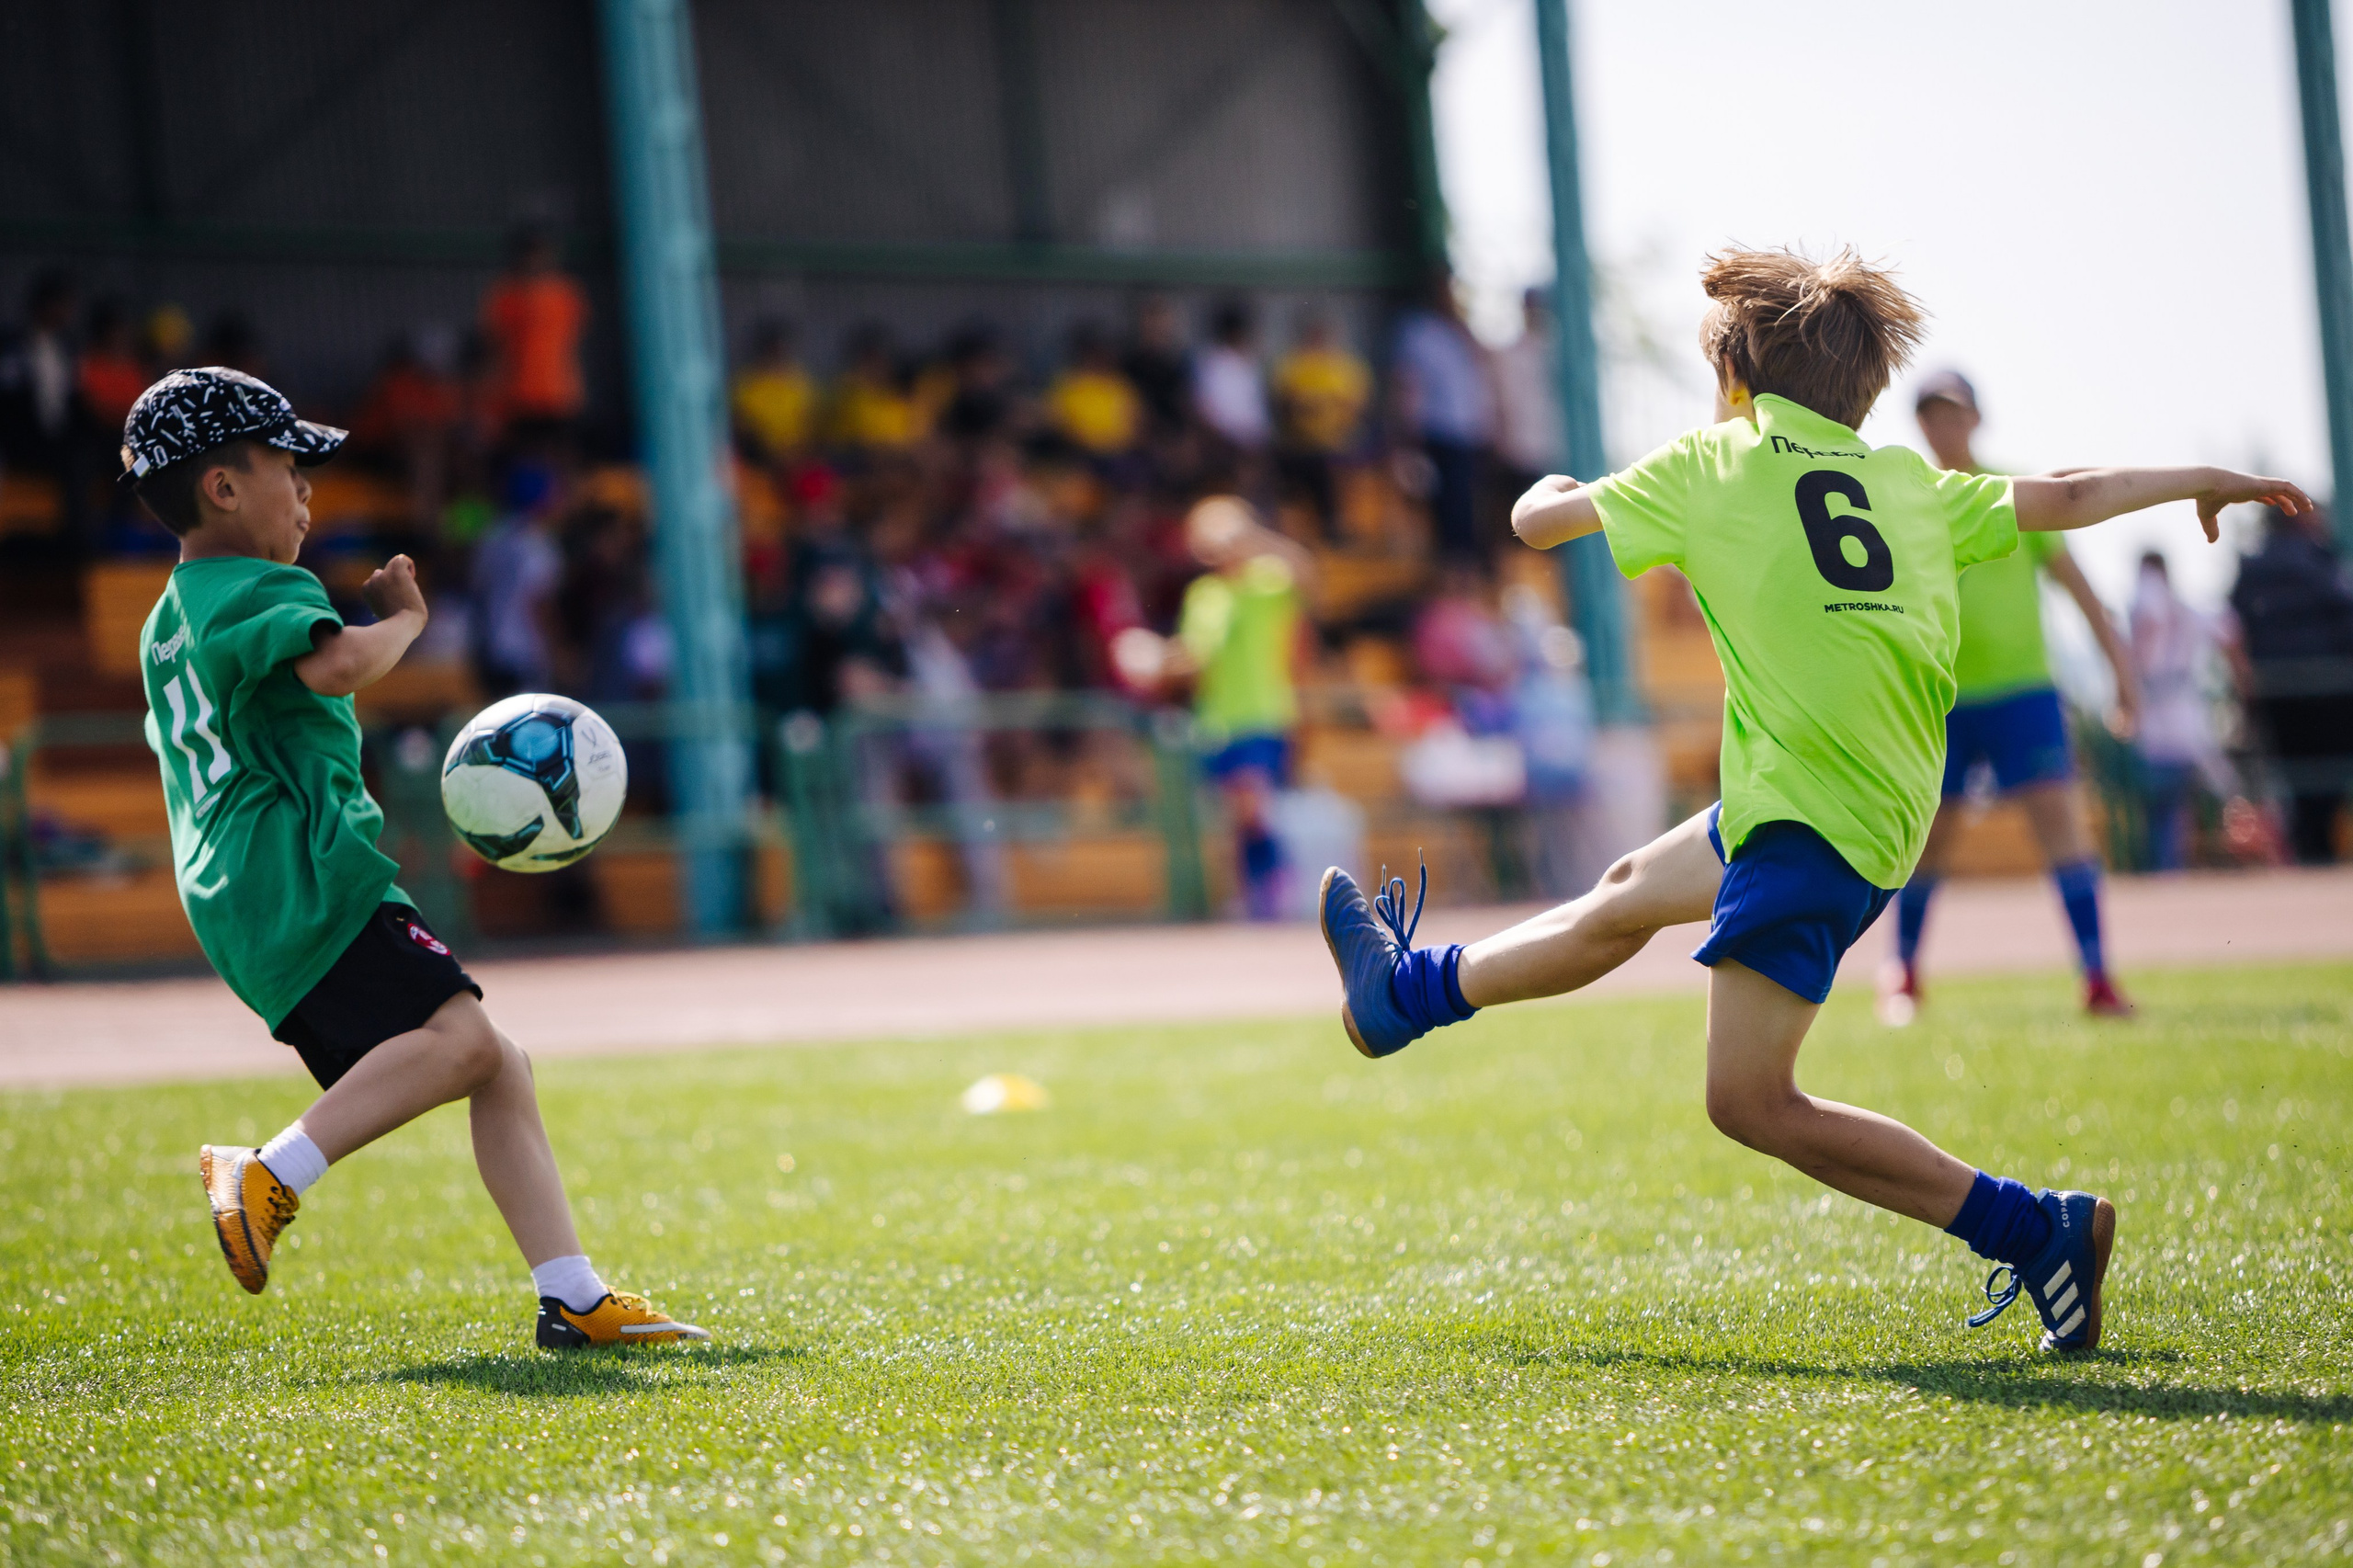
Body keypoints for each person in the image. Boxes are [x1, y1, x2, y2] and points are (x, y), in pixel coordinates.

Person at [1315, 245, 2312, 1356]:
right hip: (1844, 795)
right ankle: (1402, 995)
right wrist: (2202, 481)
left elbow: (1534, 527)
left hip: (1809, 820)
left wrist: (1548, 483)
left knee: (1748, 1100)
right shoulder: (1909, 484)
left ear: (1733, 377)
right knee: (1624, 894)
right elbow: (2071, 493)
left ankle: (2036, 1230)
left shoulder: (1712, 463)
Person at [119, 368, 701, 1346]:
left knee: (496, 1062)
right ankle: (266, 1171)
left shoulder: (168, 616)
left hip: (243, 896)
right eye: (289, 470)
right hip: (302, 875)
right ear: (222, 488)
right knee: (466, 1038)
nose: (308, 494)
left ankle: (573, 1293)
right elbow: (338, 662)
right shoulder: (260, 584)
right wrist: (408, 621)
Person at [1881, 370, 2141, 1022]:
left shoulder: (2012, 495)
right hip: (1938, 702)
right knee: (1927, 842)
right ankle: (1903, 975)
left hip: (2024, 694)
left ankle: (2097, 976)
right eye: (1931, 415)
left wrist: (2123, 678)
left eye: (1954, 412)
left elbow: (2080, 590)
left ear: (1975, 419)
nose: (1943, 426)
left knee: (2062, 830)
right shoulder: (1900, 501)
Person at [1172, 496, 1309, 920]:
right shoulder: (1204, 595)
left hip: (1262, 714)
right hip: (1218, 721)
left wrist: (1256, 540)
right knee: (1236, 817)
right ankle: (1256, 895)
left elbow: (1306, 573)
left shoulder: (1266, 581)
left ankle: (1276, 884)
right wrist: (1157, 660)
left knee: (1253, 804)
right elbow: (1193, 658)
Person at [2230, 503, 2353, 863]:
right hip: (2330, 688)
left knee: (2297, 780)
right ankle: (2319, 849)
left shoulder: (2254, 567)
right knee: (2328, 777)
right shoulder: (2321, 562)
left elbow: (2236, 625)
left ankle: (2311, 849)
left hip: (2275, 691)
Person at [2129, 551, 2234, 869]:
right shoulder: (2188, 608)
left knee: (2161, 806)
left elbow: (2150, 620)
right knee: (2179, 806)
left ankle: (2167, 870)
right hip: (2187, 714)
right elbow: (2228, 632)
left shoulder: (2149, 594)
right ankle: (2173, 867)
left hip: (2158, 710)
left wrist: (2133, 669)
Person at [1392, 274, 1495, 562]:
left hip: (1469, 434)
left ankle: (1468, 567)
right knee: (1447, 509)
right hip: (1436, 432)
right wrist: (1408, 435)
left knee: (1471, 508)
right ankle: (1452, 568)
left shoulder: (1461, 333)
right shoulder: (1417, 331)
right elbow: (1407, 384)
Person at [480, 223, 588, 450]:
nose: (535, 259)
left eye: (541, 251)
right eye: (530, 252)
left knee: (560, 454)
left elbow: (572, 345)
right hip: (516, 393)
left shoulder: (566, 293)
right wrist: (492, 393)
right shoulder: (506, 294)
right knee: (523, 454)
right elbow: (495, 347)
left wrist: (576, 386)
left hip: (558, 393)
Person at [1272, 305, 1371, 536]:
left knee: (1337, 469)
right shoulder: (1291, 365)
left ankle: (1336, 527)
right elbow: (1284, 405)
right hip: (1298, 445)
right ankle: (1300, 529)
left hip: (1340, 446)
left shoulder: (1347, 366)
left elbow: (1357, 408)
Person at [1046, 320, 1142, 458]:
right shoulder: (1067, 384)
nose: (1103, 356)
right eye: (1097, 351)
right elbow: (1059, 423)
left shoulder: (1119, 385)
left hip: (1121, 456)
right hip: (1078, 455)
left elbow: (1136, 423)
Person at [731, 317, 818, 465]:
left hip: (798, 459)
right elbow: (742, 427)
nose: (779, 354)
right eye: (774, 348)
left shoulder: (801, 382)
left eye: (783, 348)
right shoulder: (747, 385)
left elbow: (813, 425)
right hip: (760, 460)